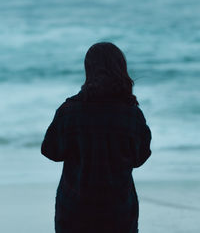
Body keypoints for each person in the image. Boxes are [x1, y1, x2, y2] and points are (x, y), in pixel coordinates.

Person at [41, 41, 152, 233]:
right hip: (119, 210)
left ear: (88, 70)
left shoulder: (69, 111)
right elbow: (140, 158)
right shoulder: (132, 114)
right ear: (121, 69)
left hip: (74, 209)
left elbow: (50, 151)